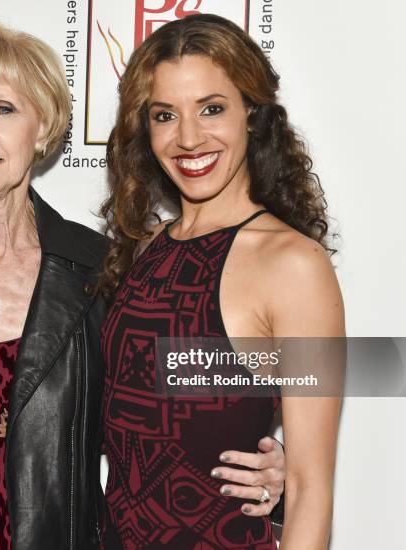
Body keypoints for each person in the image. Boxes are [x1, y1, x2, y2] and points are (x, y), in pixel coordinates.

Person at [0, 17, 286, 550]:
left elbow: (170, 410)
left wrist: (282, 469)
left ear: (41, 128)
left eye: (2, 108)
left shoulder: (100, 268)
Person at [99, 13, 343, 550]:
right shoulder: (143, 250)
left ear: (251, 115)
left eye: (212, 108)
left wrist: (283, 472)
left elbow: (308, 488)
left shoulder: (295, 266)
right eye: (165, 115)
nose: (189, 138)